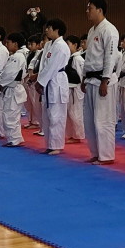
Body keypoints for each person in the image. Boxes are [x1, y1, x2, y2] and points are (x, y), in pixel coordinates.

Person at [83, 0, 121, 164]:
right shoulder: (92, 30)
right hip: (91, 78)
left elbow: (110, 56)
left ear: (100, 10)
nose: (87, 11)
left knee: (103, 119)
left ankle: (106, 155)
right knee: (90, 120)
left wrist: (105, 79)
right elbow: (89, 57)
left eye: (90, 8)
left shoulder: (109, 30)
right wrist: (84, 77)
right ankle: (96, 153)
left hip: (102, 80)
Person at [37, 19, 72, 155]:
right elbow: (43, 66)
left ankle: (56, 145)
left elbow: (52, 67)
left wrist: (41, 82)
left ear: (57, 30)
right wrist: (40, 80)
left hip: (56, 80)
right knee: (48, 115)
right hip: (48, 81)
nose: (46, 30)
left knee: (56, 115)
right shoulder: (49, 45)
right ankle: (50, 144)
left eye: (49, 28)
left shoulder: (61, 46)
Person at [0, 31, 29, 147]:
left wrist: (0, 83)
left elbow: (10, 74)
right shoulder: (16, 56)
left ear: (15, 44)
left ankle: (14, 139)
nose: (7, 45)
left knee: (10, 115)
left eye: (8, 42)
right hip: (12, 88)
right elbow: (6, 72)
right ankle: (15, 138)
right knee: (10, 115)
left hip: (14, 89)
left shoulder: (18, 56)